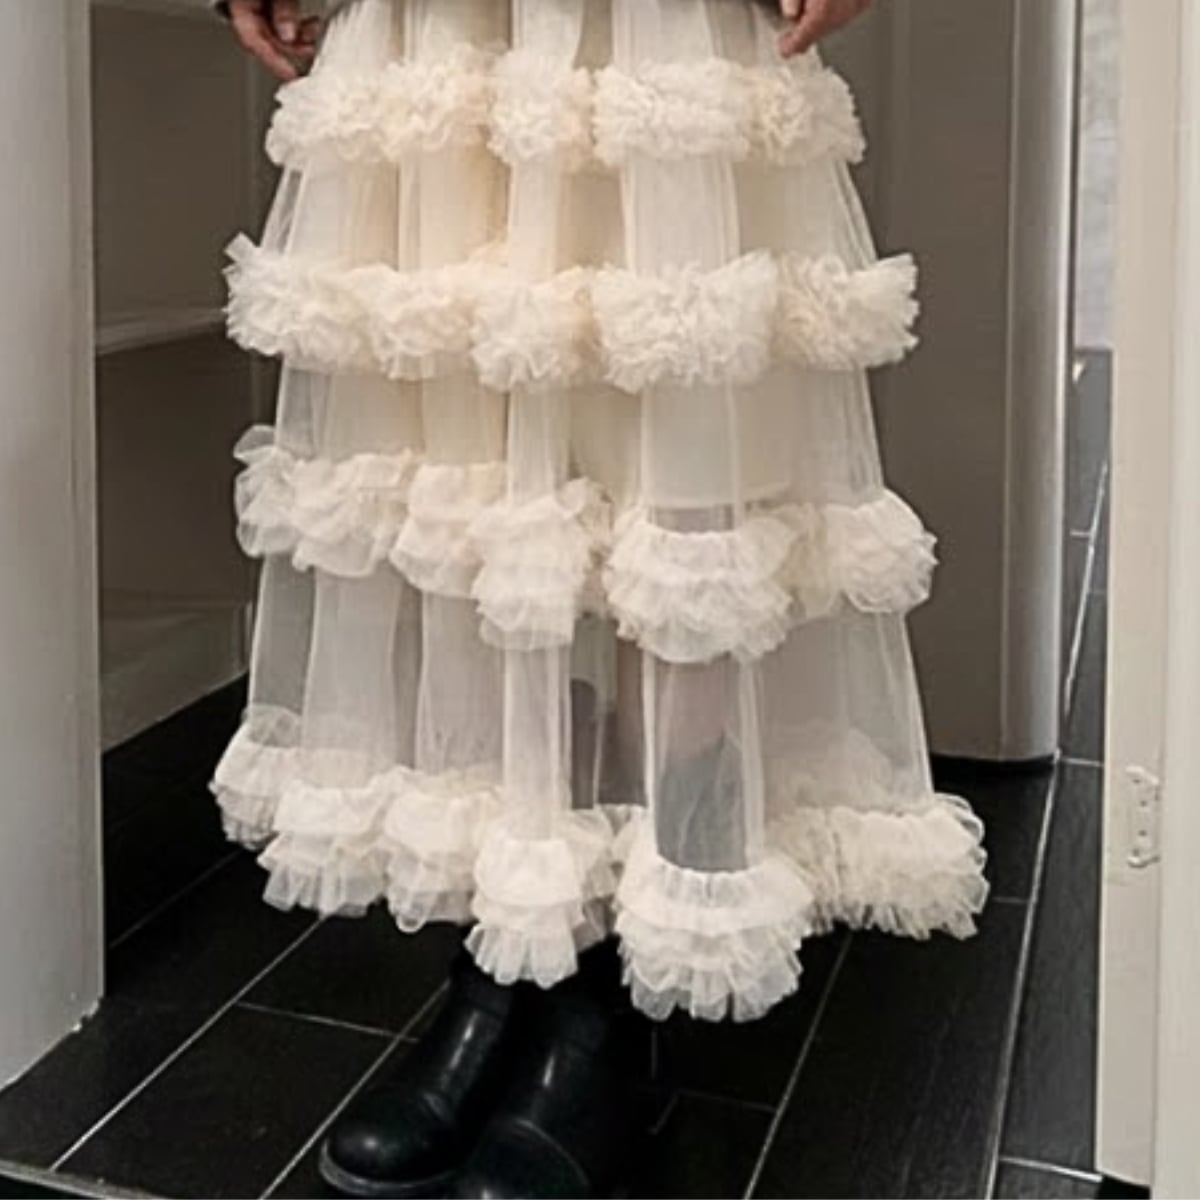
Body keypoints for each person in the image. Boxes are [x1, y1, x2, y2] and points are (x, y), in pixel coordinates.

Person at [212, 1, 988, 1196]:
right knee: (470, 481)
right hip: (437, 32)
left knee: (679, 485)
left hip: (658, 32)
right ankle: (517, 955)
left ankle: (616, 1008)